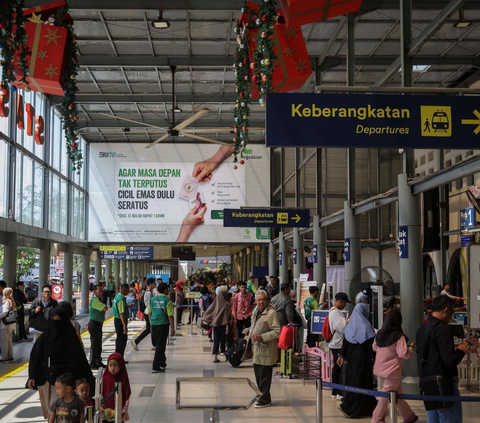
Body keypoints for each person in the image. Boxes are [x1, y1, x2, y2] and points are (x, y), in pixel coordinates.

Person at [28, 307, 94, 420]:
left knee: (60, 411)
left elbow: (80, 360)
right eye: (53, 319)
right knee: (51, 408)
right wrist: (32, 376)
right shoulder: (45, 337)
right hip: (48, 379)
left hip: (67, 381)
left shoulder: (71, 338)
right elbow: (35, 356)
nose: (55, 323)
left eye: (58, 320)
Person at [416, 295, 469, 422]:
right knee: (450, 418)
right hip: (444, 384)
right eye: (452, 312)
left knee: (433, 419)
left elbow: (431, 353)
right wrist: (461, 351)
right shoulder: (443, 328)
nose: (451, 316)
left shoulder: (422, 328)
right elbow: (450, 360)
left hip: (427, 382)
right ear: (446, 310)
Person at [371, 309, 418, 423]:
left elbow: (374, 348)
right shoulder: (398, 335)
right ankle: (376, 418)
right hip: (392, 371)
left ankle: (409, 416)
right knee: (386, 394)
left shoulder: (380, 333)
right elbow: (403, 354)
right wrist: (411, 348)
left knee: (396, 394)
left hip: (380, 369)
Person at [338, 302, 377, 419]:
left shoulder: (349, 327)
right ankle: (350, 408)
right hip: (363, 360)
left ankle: (367, 408)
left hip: (352, 358)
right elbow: (370, 347)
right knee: (362, 383)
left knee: (352, 381)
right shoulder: (366, 327)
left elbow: (345, 344)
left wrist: (341, 355)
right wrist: (375, 359)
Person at [244, 290, 280, 408]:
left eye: (263, 299)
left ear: (267, 300)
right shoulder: (255, 311)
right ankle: (262, 396)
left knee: (264, 376)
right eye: (259, 300)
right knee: (258, 375)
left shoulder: (271, 313)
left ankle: (265, 399)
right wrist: (250, 330)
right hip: (256, 350)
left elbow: (276, 331)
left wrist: (261, 336)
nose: (261, 302)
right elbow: (255, 325)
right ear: (255, 300)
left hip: (266, 350)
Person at [327, 292, 351, 400]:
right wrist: (350, 320)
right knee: (340, 368)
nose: (345, 305)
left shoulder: (335, 312)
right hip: (338, 344)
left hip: (335, 343)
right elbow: (342, 328)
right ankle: (339, 392)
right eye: (345, 303)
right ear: (340, 301)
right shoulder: (335, 313)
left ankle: (335, 391)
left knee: (337, 368)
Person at [149, 283, 175, 373]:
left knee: (159, 344)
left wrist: (150, 324)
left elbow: (149, 312)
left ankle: (162, 363)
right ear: (165, 290)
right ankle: (155, 366)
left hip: (154, 324)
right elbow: (170, 316)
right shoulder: (168, 301)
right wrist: (172, 328)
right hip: (163, 325)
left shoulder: (152, 299)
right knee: (160, 346)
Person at [202, 288, 233, 363]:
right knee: (229, 340)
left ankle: (214, 357)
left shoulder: (215, 302)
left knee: (216, 340)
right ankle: (229, 356)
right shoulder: (225, 304)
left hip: (216, 325)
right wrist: (227, 327)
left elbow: (209, 312)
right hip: (223, 325)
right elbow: (226, 317)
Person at [101, 353, 131, 423]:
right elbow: (101, 392)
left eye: (115, 365)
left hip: (118, 411)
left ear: (120, 366)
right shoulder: (105, 378)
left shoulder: (123, 378)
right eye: (110, 365)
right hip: (106, 412)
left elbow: (126, 395)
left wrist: (124, 409)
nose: (112, 368)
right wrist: (101, 406)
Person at [131, 278, 156, 351]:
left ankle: (154, 345)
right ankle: (136, 341)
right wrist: (150, 315)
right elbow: (148, 305)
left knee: (151, 329)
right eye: (154, 283)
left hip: (149, 312)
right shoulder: (148, 293)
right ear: (150, 284)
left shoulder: (151, 292)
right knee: (149, 329)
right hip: (148, 313)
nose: (155, 284)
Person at [87, 284, 107, 369]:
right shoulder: (95, 300)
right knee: (95, 344)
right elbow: (105, 308)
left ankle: (98, 361)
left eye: (102, 291)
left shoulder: (99, 300)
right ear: (94, 292)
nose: (101, 293)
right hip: (94, 324)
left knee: (98, 344)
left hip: (98, 324)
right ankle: (93, 362)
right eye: (99, 291)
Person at [0, 287, 17, 362]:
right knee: (9, 342)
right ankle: (10, 356)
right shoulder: (12, 301)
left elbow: (4, 313)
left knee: (4, 342)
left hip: (5, 325)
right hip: (10, 325)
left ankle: (4, 357)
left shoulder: (7, 302)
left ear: (6, 294)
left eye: (3, 294)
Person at [113, 284, 129, 357]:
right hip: (120, 321)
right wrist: (124, 325)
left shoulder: (117, 297)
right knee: (122, 340)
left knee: (119, 339)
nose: (128, 291)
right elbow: (121, 313)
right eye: (128, 290)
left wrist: (128, 306)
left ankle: (118, 356)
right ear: (124, 289)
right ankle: (119, 357)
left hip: (117, 320)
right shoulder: (121, 299)